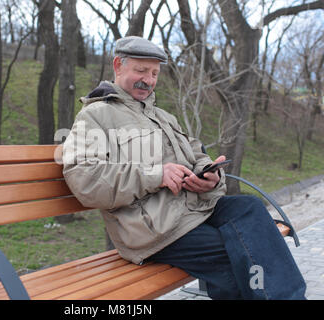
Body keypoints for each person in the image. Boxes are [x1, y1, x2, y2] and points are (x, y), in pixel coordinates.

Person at [61, 36, 306, 300]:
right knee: (238, 251)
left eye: (155, 73)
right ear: (118, 65)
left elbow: (196, 153)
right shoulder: (96, 116)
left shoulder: (162, 117)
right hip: (154, 229)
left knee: (250, 208)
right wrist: (156, 175)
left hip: (193, 211)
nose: (149, 80)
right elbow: (85, 179)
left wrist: (210, 175)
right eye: (141, 71)